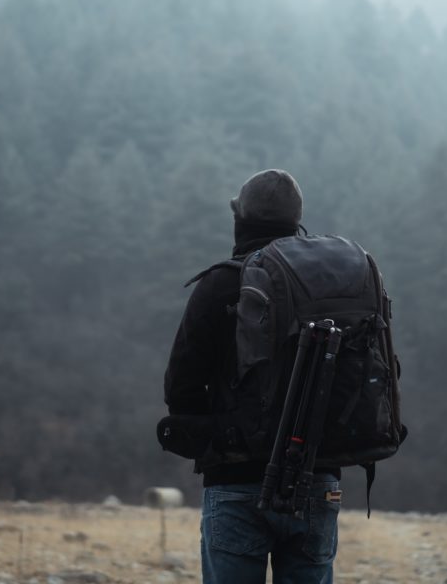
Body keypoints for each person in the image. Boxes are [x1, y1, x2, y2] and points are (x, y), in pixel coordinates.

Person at [163, 169, 341, 584]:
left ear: (239, 219)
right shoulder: (329, 285)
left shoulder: (220, 285)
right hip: (317, 480)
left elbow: (180, 387)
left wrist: (218, 434)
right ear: (295, 223)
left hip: (234, 480)